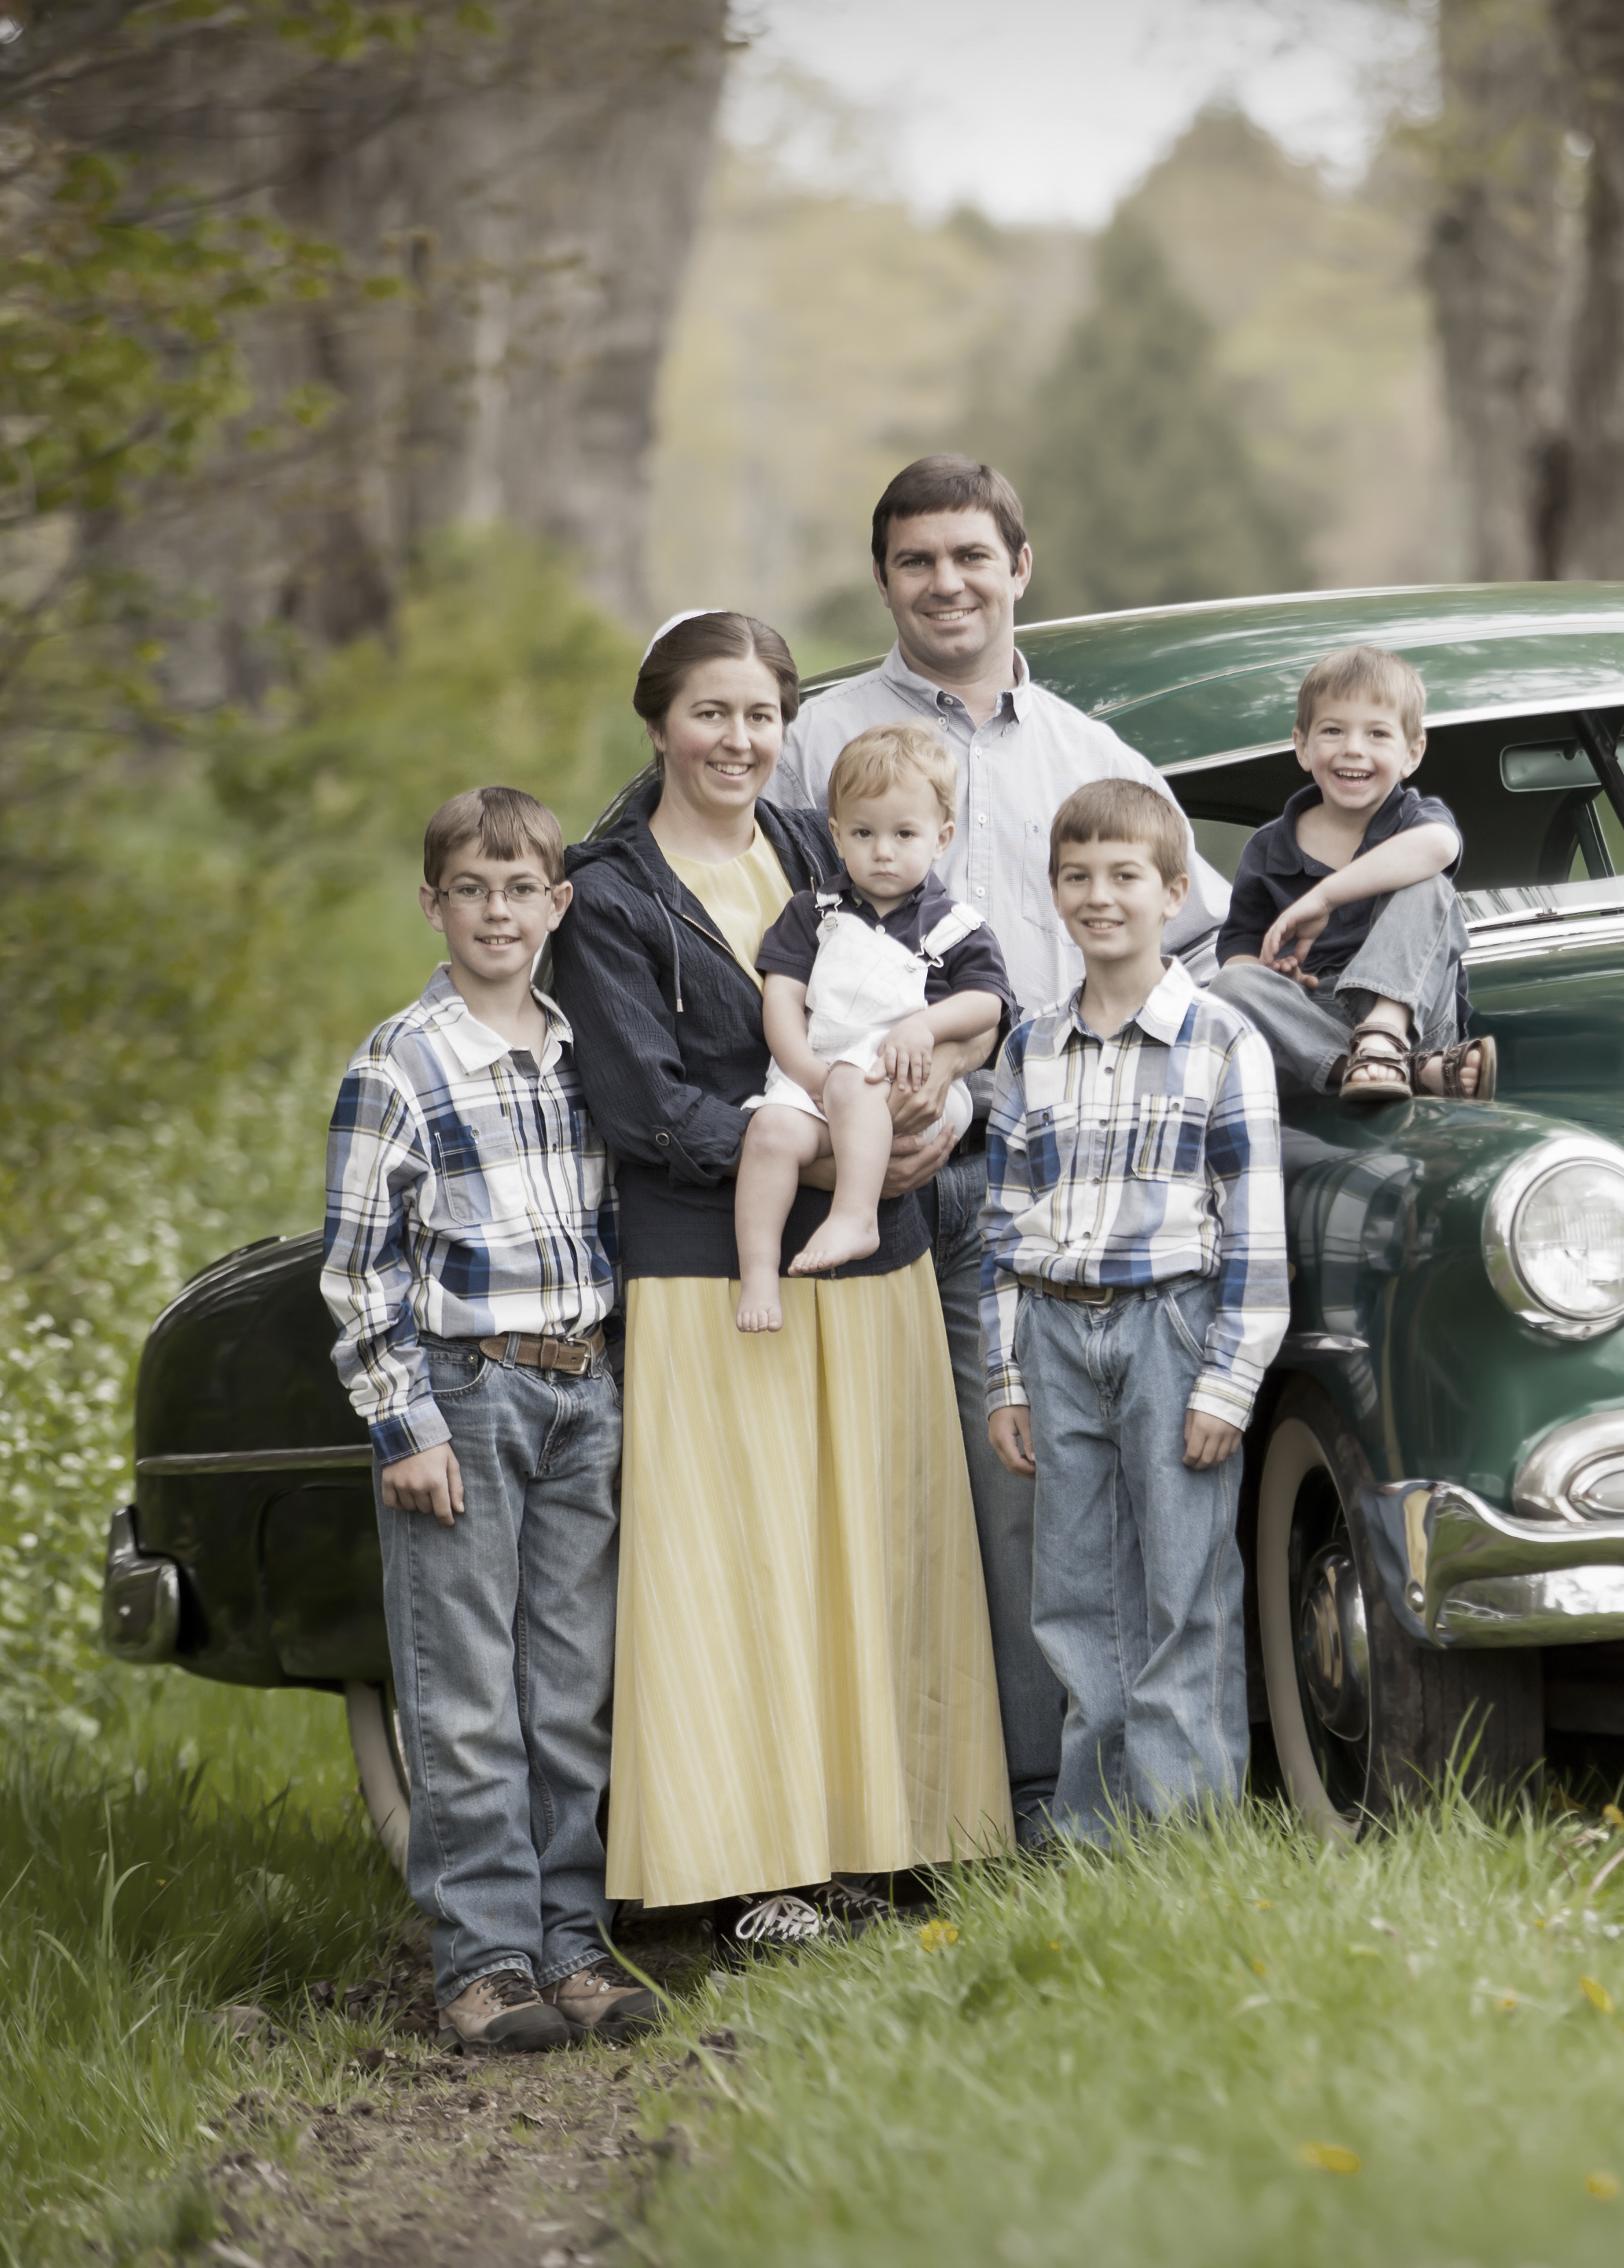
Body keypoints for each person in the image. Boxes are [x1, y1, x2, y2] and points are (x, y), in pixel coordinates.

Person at [772, 455, 1233, 1844]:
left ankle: (1042, 1802)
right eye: (916, 561)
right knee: (864, 1496)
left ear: (1019, 566)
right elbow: (747, 921)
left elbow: (1195, 934)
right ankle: (875, 1812)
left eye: (971, 556)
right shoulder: (811, 739)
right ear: (884, 581)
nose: (946, 583)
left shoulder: (1089, 752)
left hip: (1040, 1178)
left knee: (1028, 1492)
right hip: (857, 1169)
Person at [549, 609, 1007, 1951]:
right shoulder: (610, 889)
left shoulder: (829, 844)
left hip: (878, 1256)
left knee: (875, 1540)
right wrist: (822, 1164)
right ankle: (749, 1863)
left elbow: (972, 994)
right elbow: (644, 1107)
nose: (738, 739)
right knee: (741, 1560)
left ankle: (893, 1838)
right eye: (711, 712)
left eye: (760, 715)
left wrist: (939, 1116)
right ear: (657, 723)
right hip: (713, 1266)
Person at [317, 785, 657, 2052]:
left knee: (567, 1688)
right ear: (433, 903)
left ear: (556, 902)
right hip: (465, 1393)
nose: (497, 911)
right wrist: (403, 1423)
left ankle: (570, 1941)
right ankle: (483, 1959)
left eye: (521, 889)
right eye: (472, 888)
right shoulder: (399, 1063)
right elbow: (361, 1269)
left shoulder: (583, 1052)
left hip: (581, 1385)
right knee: (466, 1694)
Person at [981, 778, 1285, 1841]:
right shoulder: (1028, 1047)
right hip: (1059, 1332)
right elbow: (1005, 1223)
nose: (1098, 897)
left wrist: (1228, 1378)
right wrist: (1007, 1375)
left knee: (1182, 1587)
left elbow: (1253, 1227)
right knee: (1073, 1592)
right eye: (1077, 877)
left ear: (1171, 894)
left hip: (1172, 1325)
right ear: (1054, 892)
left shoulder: (1219, 1040)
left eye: (1124, 878)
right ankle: (1096, 1834)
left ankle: (1185, 1832)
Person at [731, 719, 1008, 1334]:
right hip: (818, 1077)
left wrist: (926, 1027)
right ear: (836, 835)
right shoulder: (813, 914)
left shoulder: (956, 926)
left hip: (906, 1083)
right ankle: (759, 1274)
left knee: (857, 1082)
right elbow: (781, 997)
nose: (883, 851)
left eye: (904, 834)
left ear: (943, 837)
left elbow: (987, 1004)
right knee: (771, 1133)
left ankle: (856, 1215)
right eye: (863, 833)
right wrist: (803, 1069)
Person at [1208, 644, 1497, 1105]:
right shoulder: (1267, 848)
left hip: (1417, 1014)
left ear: (1412, 753)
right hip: (1311, 1020)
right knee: (1227, 987)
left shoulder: (1415, 822)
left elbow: (1441, 846)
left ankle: (1384, 1042)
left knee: (1427, 883)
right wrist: (1272, 971)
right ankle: (1390, 1072)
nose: (1354, 749)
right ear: (1302, 746)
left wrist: (1323, 898)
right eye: (1333, 730)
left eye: (1378, 734)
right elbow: (1238, 951)